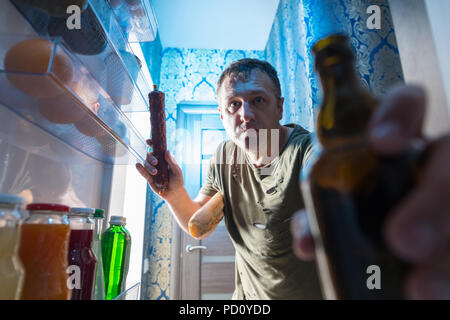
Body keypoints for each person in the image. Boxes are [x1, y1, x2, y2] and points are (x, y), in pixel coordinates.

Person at [136, 58, 450, 300]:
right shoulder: (224, 156)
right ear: (222, 115)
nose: (245, 113)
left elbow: (339, 174)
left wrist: (393, 177)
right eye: (233, 104)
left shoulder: (307, 152)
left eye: (258, 100)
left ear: (279, 108)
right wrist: (173, 192)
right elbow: (198, 222)